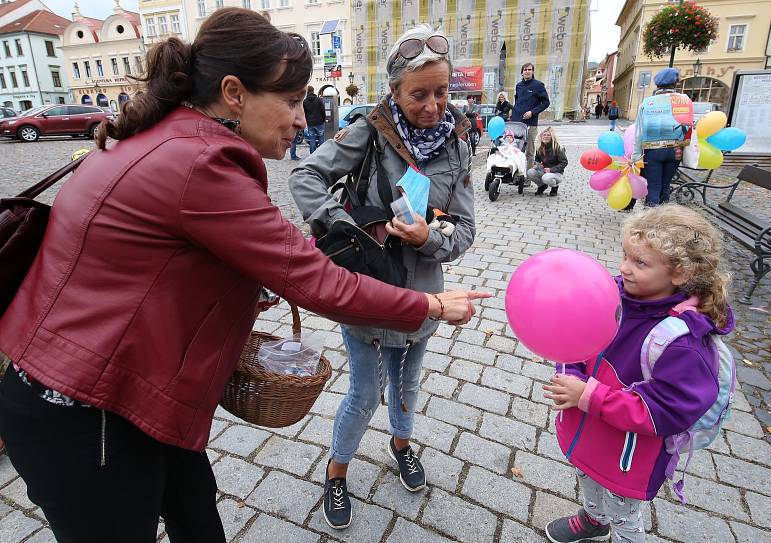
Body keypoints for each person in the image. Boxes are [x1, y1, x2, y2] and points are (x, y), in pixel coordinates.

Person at [0, 10, 485, 543]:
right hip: (83, 407)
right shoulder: (198, 164)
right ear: (234, 92)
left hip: (132, 390)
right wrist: (433, 306)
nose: (304, 120)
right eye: (294, 100)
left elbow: (154, 266)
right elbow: (320, 283)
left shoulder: (170, 140)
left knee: (199, 520)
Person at [289, 25, 475, 531]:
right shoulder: (370, 131)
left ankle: (401, 445)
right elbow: (304, 176)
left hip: (422, 296)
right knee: (365, 393)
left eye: (441, 92)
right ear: (394, 91)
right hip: (369, 293)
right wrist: (345, 226)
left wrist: (427, 240)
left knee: (408, 386)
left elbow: (466, 230)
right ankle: (336, 469)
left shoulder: (456, 146)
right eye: (419, 94)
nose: (433, 105)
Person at [542, 204, 734, 543]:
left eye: (640, 263)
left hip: (627, 454)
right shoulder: (610, 295)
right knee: (587, 476)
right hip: (587, 429)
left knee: (623, 512)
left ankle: (617, 530)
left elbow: (666, 411)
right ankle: (593, 519)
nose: (623, 268)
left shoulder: (682, 343)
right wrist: (570, 370)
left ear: (680, 273)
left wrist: (587, 395)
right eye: (626, 256)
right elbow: (575, 339)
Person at [630, 67, 693, 208]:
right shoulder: (685, 101)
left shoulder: (648, 103)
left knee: (654, 186)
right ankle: (665, 220)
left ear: (657, 84)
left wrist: (635, 155)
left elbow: (639, 131)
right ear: (675, 83)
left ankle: (651, 221)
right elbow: (689, 127)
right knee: (665, 185)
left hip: (653, 151)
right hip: (676, 151)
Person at [511, 62, 550, 171]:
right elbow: (517, 102)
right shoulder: (519, 85)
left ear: (533, 72)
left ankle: (527, 176)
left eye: (529, 70)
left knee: (529, 152)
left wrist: (532, 112)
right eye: (525, 70)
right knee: (516, 149)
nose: (527, 71)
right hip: (518, 123)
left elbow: (546, 103)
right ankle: (516, 173)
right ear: (522, 73)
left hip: (531, 124)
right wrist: (513, 115)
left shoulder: (538, 85)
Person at [529, 127, 568, 197]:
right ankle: (542, 186)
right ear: (541, 136)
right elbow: (537, 159)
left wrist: (551, 169)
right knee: (530, 172)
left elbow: (564, 162)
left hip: (556, 173)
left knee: (546, 178)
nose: (546, 137)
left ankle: (554, 187)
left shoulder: (558, 147)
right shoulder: (539, 147)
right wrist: (536, 164)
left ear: (552, 137)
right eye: (544, 135)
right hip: (544, 171)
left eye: (548, 135)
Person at [303, 84, 326, 154]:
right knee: (321, 137)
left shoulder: (305, 101)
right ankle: (321, 153)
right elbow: (323, 110)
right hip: (319, 122)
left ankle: (312, 153)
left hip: (310, 123)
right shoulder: (318, 100)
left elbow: (304, 112)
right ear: (313, 91)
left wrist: (307, 120)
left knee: (312, 139)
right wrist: (323, 119)